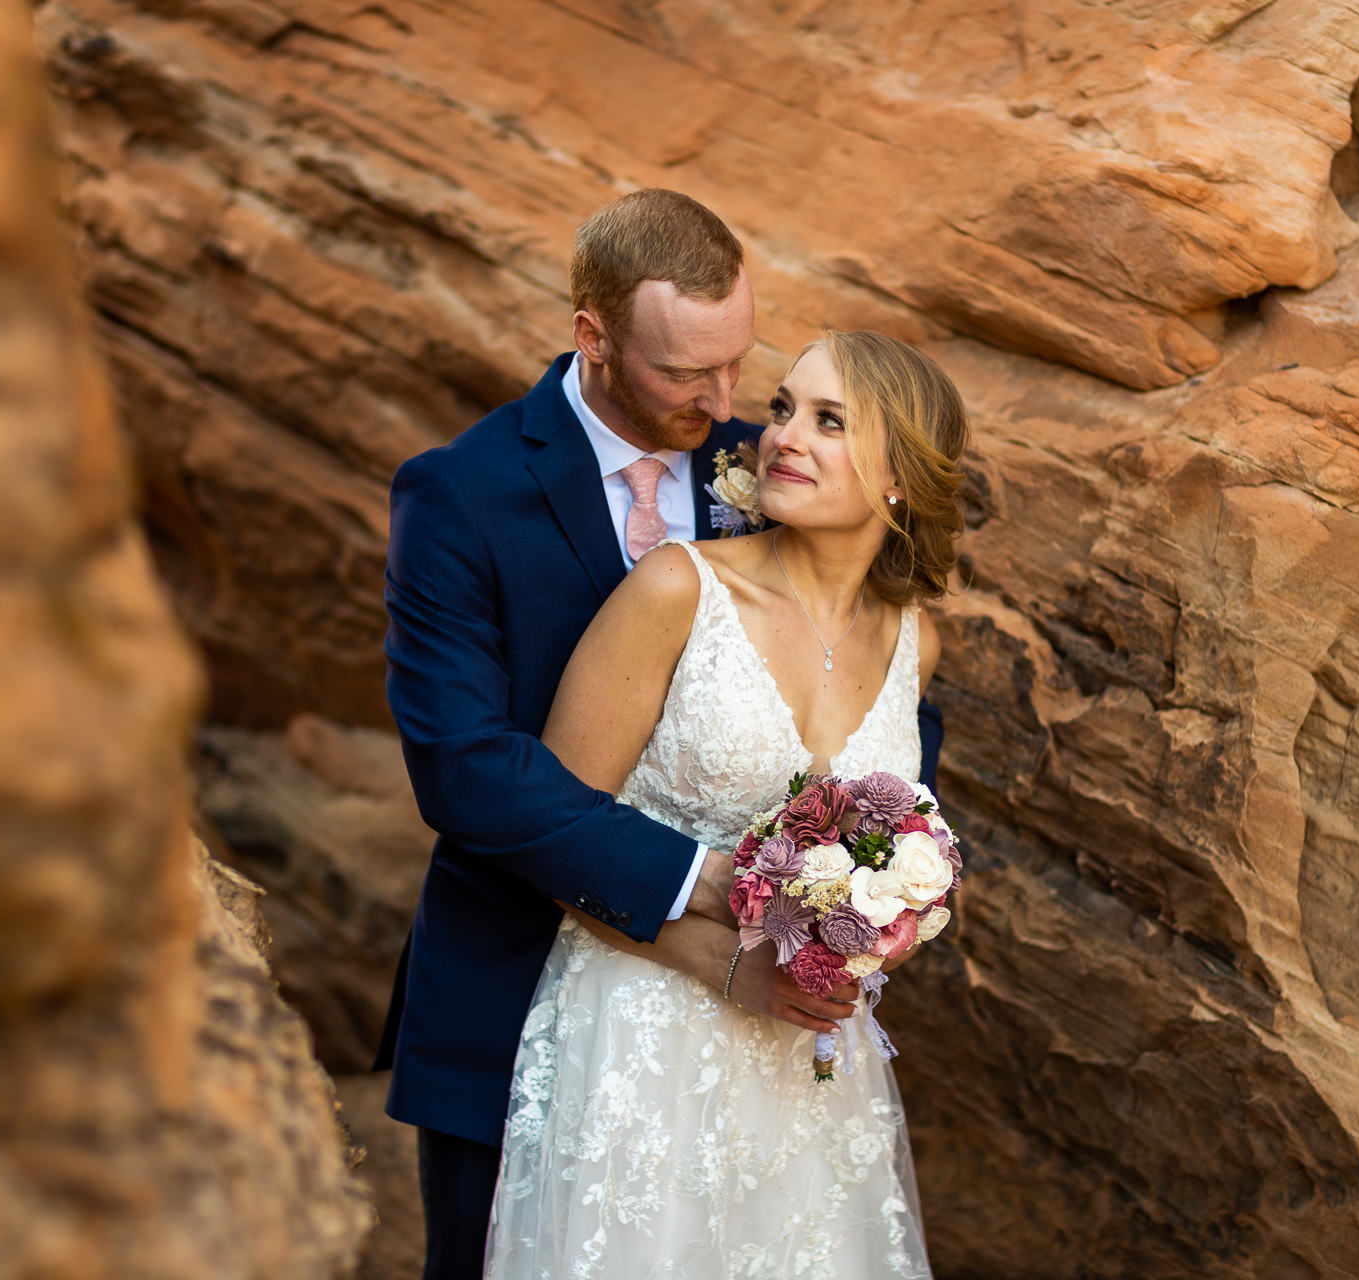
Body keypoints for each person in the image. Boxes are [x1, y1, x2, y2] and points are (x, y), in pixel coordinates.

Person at [376, 191, 946, 1279]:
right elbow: (467, 770)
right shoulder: (461, 495)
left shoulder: (767, 468)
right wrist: (715, 887)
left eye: (741, 365)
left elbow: (887, 680)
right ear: (591, 335)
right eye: (690, 373)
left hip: (761, 1041)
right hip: (517, 995)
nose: (727, 402)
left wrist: (865, 868)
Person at [483, 330, 969, 1277]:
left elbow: (902, 848)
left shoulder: (918, 641)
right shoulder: (678, 589)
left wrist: (876, 923)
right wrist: (722, 964)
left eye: (830, 421)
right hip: (642, 1033)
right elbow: (551, 828)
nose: (784, 435)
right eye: (784, 408)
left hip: (812, 1061)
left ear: (900, 474)